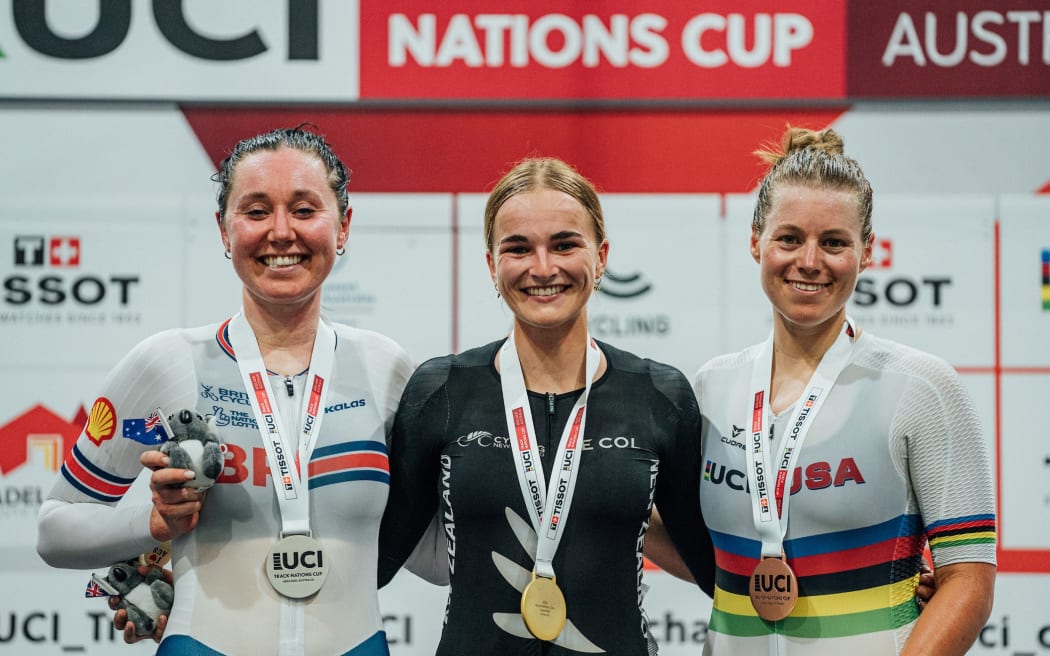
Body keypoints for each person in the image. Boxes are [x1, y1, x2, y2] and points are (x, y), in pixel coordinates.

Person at [37, 126, 416, 656]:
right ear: (223, 229)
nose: (281, 232)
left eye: (305, 210)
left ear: (344, 226)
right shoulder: (167, 364)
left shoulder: (388, 369)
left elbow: (436, 559)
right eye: (256, 211)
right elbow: (54, 530)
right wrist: (150, 523)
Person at [376, 156, 716, 655]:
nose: (543, 267)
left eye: (564, 244)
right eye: (518, 248)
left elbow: (712, 566)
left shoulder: (659, 395)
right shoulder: (441, 390)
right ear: (492, 265)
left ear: (600, 257)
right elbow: (375, 561)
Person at [689, 126, 996, 655]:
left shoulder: (922, 388)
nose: (809, 261)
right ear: (755, 240)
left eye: (834, 242)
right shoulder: (710, 388)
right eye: (789, 238)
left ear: (867, 252)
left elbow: (969, 582)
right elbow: (690, 547)